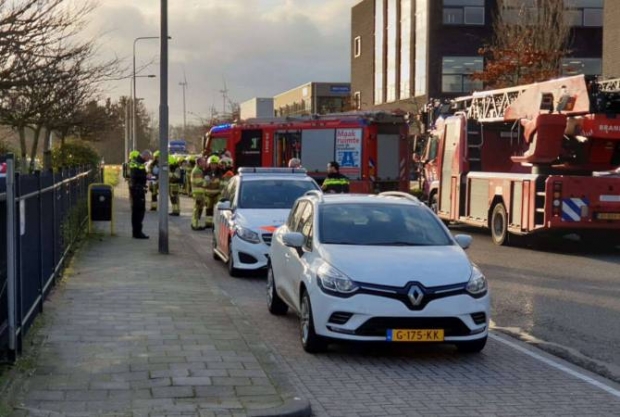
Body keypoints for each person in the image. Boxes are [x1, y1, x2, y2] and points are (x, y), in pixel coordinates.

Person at [129, 149, 152, 239]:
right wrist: (145, 176)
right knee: (139, 212)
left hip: (137, 189)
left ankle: (136, 232)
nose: (148, 160)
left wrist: (146, 175)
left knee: (137, 212)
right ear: (145, 156)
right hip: (137, 190)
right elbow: (135, 175)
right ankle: (137, 233)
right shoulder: (137, 163)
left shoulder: (139, 163)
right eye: (148, 158)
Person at [203, 155, 224, 228]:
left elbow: (221, 183)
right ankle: (208, 223)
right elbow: (203, 183)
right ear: (209, 164)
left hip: (217, 194)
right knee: (209, 209)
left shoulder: (220, 172)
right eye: (212, 164)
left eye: (214, 164)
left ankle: (217, 224)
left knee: (219, 209)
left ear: (217, 164)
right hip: (208, 194)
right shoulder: (205, 171)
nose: (213, 165)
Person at [190, 157, 208, 230]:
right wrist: (207, 181)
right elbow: (199, 182)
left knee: (198, 209)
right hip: (198, 194)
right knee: (197, 209)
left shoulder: (199, 170)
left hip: (199, 193)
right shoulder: (197, 171)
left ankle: (196, 224)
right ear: (199, 163)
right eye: (203, 162)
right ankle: (195, 225)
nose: (205, 163)